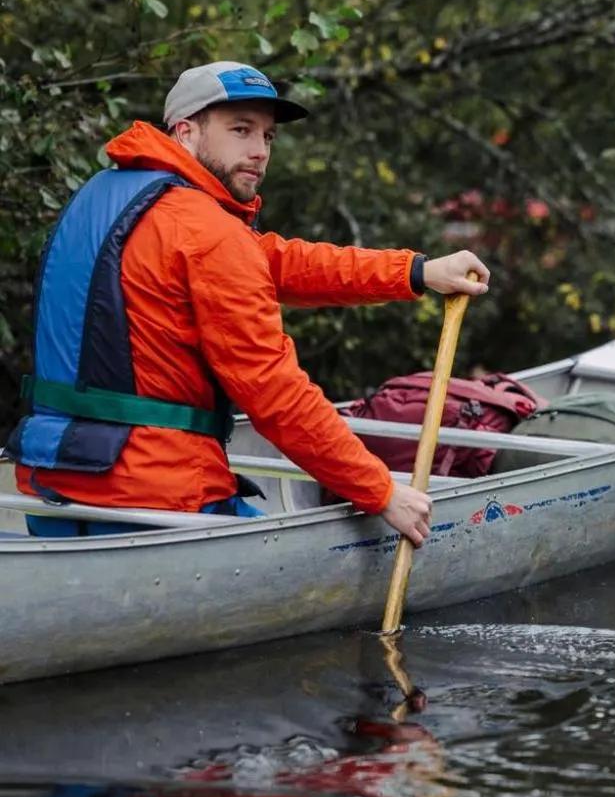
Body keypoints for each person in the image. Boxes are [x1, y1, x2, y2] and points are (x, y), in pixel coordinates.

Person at [5, 61, 489, 539]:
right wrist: (381, 491)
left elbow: (275, 262)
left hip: (49, 484)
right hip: (152, 495)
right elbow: (275, 393)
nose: (259, 151)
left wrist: (417, 272)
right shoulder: (207, 231)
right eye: (241, 130)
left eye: (268, 136)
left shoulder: (103, 198)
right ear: (185, 131)